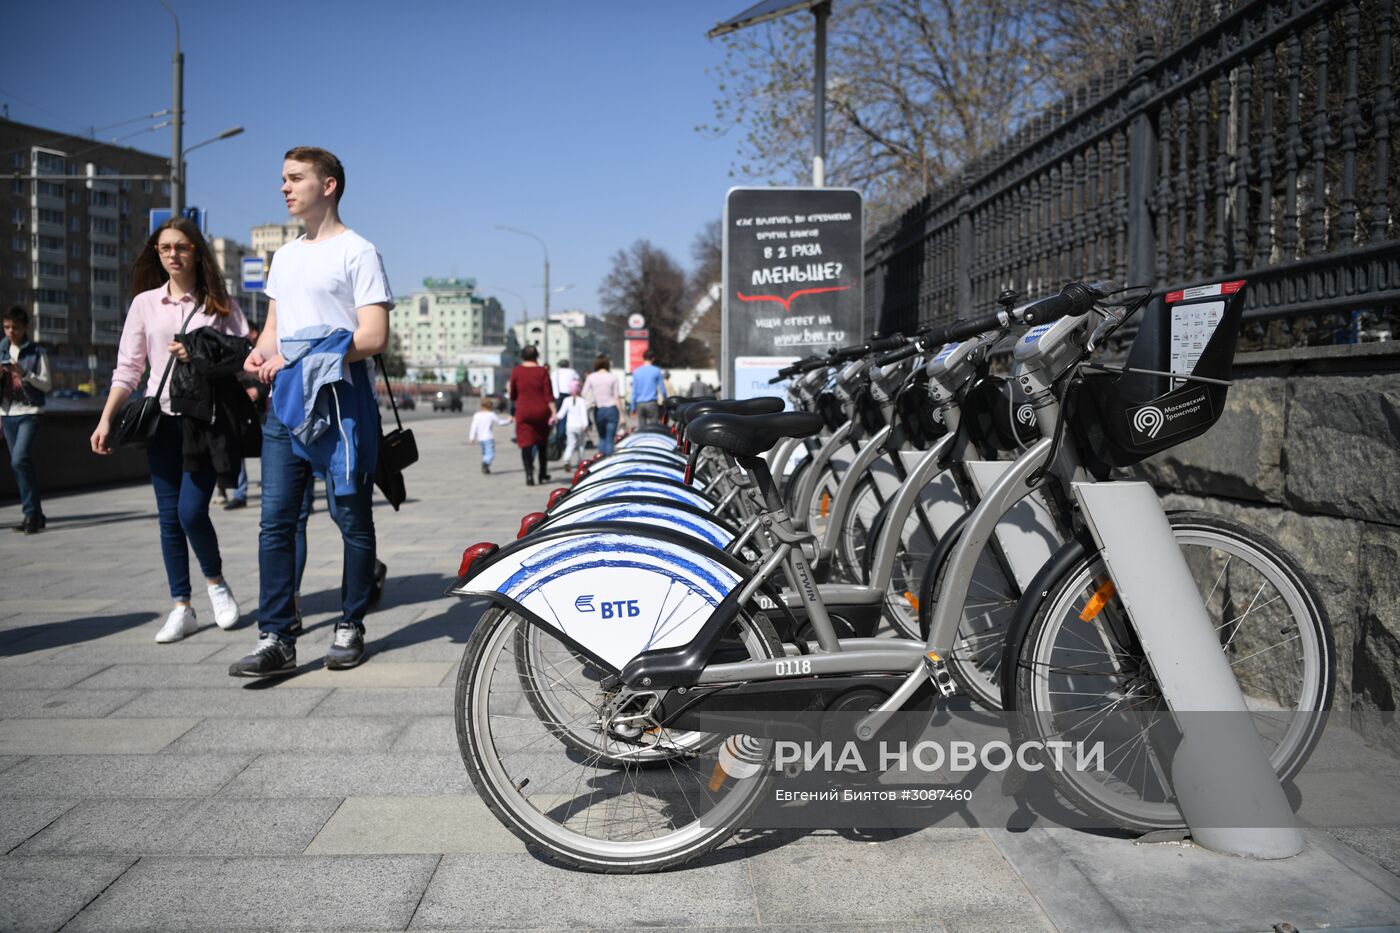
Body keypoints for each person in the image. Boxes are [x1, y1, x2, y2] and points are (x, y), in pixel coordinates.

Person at [230, 146, 393, 678]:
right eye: (282, 178)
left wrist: (298, 353)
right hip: (286, 408)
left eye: (295, 178)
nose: (284, 187)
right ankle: (276, 635)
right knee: (275, 521)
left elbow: (372, 336)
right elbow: (274, 328)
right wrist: (259, 351)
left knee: (351, 516)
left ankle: (350, 623)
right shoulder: (286, 257)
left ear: (328, 186)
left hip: (342, 403)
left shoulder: (359, 252)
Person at [91, 217, 248, 643]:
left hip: (205, 421)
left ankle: (216, 584)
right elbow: (129, 367)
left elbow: (243, 358)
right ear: (157, 255)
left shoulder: (221, 304)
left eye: (181, 247)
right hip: (161, 421)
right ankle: (182, 606)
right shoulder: (145, 303)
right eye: (165, 249)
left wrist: (197, 353)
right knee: (168, 518)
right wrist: (106, 418)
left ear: (196, 251)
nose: (173, 255)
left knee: (191, 511)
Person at [1, 306, 51, 534]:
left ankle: (32, 513)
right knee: (22, 465)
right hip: (7, 413)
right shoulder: (1, 350)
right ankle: (34, 515)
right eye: (7, 327)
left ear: (25, 328)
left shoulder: (37, 353)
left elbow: (46, 385)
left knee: (19, 460)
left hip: (30, 412)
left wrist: (24, 374)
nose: (10, 332)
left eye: (15, 328)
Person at [508, 344, 556, 485]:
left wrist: (512, 411)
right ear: (537, 356)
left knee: (526, 444)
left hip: (523, 411)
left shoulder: (516, 371)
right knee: (542, 443)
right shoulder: (542, 372)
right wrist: (554, 411)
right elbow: (548, 394)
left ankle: (529, 475)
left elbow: (513, 394)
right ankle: (542, 473)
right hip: (541, 412)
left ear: (522, 356)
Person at [582, 354, 622, 456]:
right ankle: (609, 462)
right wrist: (622, 415)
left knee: (602, 437)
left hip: (599, 409)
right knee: (610, 438)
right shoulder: (613, 377)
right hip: (612, 409)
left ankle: (601, 461)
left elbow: (584, 393)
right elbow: (616, 397)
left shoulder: (591, 377)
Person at [468, 396, 512, 474]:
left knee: (485, 453)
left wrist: (471, 438)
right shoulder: (491, 414)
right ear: (491, 406)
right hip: (488, 437)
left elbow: (473, 426)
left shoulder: (477, 415)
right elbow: (499, 422)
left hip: (480, 439)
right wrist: (509, 421)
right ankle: (485, 464)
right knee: (491, 453)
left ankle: (486, 468)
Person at [558, 378, 590, 469]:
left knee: (570, 444)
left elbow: (561, 414)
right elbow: (584, 414)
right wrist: (585, 424)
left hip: (570, 426)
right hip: (580, 426)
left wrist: (554, 418)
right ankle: (580, 461)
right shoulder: (582, 401)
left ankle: (567, 459)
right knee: (581, 445)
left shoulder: (566, 400)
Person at [630, 349, 665, 426]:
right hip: (652, 403)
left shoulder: (636, 371)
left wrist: (633, 407)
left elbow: (634, 391)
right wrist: (665, 401)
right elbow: (663, 390)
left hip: (640, 404)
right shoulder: (656, 370)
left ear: (643, 358)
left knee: (642, 430)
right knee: (654, 429)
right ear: (653, 358)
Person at [550, 357, 578, 449]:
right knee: (566, 417)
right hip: (568, 395)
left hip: (557, 396)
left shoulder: (555, 373)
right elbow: (577, 381)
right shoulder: (572, 372)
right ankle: (562, 436)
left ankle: (559, 435)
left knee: (558, 416)